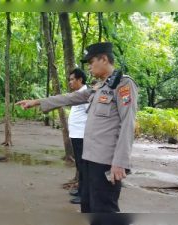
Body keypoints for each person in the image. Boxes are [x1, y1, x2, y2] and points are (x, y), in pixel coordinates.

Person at [16, 42, 138, 216]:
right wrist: (37, 102)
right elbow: (71, 97)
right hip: (89, 157)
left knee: (104, 209)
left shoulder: (123, 85)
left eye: (91, 62)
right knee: (87, 205)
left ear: (104, 59)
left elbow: (128, 124)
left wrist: (120, 162)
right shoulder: (99, 87)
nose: (89, 67)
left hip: (105, 161)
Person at [67, 68, 89, 205]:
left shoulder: (86, 94)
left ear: (80, 80)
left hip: (82, 135)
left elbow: (91, 113)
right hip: (76, 135)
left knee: (84, 167)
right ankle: (81, 189)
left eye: (72, 79)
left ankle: (85, 195)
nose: (70, 82)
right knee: (80, 165)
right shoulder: (78, 94)